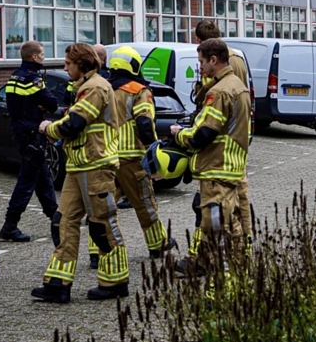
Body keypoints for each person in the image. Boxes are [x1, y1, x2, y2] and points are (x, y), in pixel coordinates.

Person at [31, 43, 127, 303]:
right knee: (62, 222)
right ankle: (58, 284)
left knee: (102, 225)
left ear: (82, 64)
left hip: (96, 165)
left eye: (68, 64)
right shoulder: (84, 87)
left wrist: (48, 129)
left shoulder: (95, 87)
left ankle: (116, 282)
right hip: (78, 166)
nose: (64, 67)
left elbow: (75, 124)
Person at [171, 38, 251, 275]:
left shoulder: (219, 91)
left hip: (217, 168)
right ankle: (237, 274)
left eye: (202, 62)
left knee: (217, 229)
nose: (200, 67)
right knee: (230, 226)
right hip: (231, 167)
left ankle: (222, 285)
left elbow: (204, 133)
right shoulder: (238, 86)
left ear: (213, 60)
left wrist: (179, 135)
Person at [108, 46, 175, 258]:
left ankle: (97, 251)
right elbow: (145, 122)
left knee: (104, 206)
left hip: (107, 156)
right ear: (135, 65)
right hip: (132, 157)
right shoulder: (138, 90)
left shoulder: (103, 89)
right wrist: (153, 152)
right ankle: (158, 244)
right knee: (145, 202)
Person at [192, 20, 253, 253]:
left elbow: (217, 105)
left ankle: (237, 249)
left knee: (224, 206)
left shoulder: (221, 74)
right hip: (235, 141)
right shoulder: (236, 58)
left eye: (201, 63)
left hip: (223, 148)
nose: (200, 67)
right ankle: (240, 243)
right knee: (232, 201)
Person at [0, 41, 59, 243]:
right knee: (27, 181)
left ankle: (56, 217)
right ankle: (10, 225)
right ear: (34, 57)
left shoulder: (15, 76)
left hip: (21, 132)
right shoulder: (32, 79)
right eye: (42, 54)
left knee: (42, 178)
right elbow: (52, 102)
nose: (43, 57)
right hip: (32, 134)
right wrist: (40, 104)